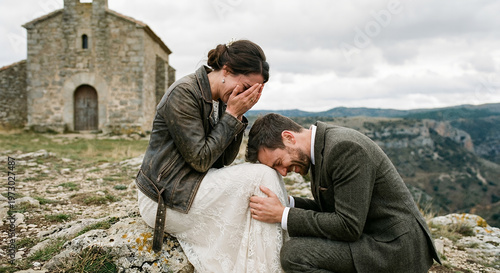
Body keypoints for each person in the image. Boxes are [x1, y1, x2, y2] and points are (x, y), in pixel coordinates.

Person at [136, 40, 288, 273]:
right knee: (261, 176)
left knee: (264, 180)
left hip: (190, 187)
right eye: (246, 86)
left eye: (253, 92)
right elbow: (200, 160)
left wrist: (236, 116)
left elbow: (223, 159)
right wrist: (233, 114)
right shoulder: (184, 93)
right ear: (226, 71)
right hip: (164, 198)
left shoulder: (220, 99)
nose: (246, 95)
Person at [246, 113, 442, 273]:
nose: (282, 172)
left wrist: (283, 215)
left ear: (288, 137)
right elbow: (333, 209)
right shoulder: (317, 150)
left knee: (295, 254)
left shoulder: (344, 148)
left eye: (279, 162)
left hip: (393, 246)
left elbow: (348, 225)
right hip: (373, 234)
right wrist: (287, 203)